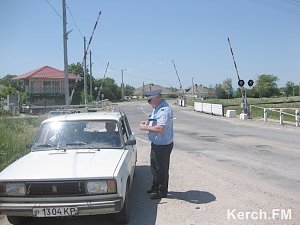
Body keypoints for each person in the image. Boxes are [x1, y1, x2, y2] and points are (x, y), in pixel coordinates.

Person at [139, 89, 174, 199]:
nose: (149, 103)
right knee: (154, 168)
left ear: (156, 98)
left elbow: (161, 128)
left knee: (161, 170)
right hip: (156, 143)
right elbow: (154, 120)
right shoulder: (157, 108)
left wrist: (146, 128)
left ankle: (161, 191)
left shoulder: (164, 110)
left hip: (162, 145)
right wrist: (147, 122)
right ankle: (155, 187)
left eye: (149, 100)